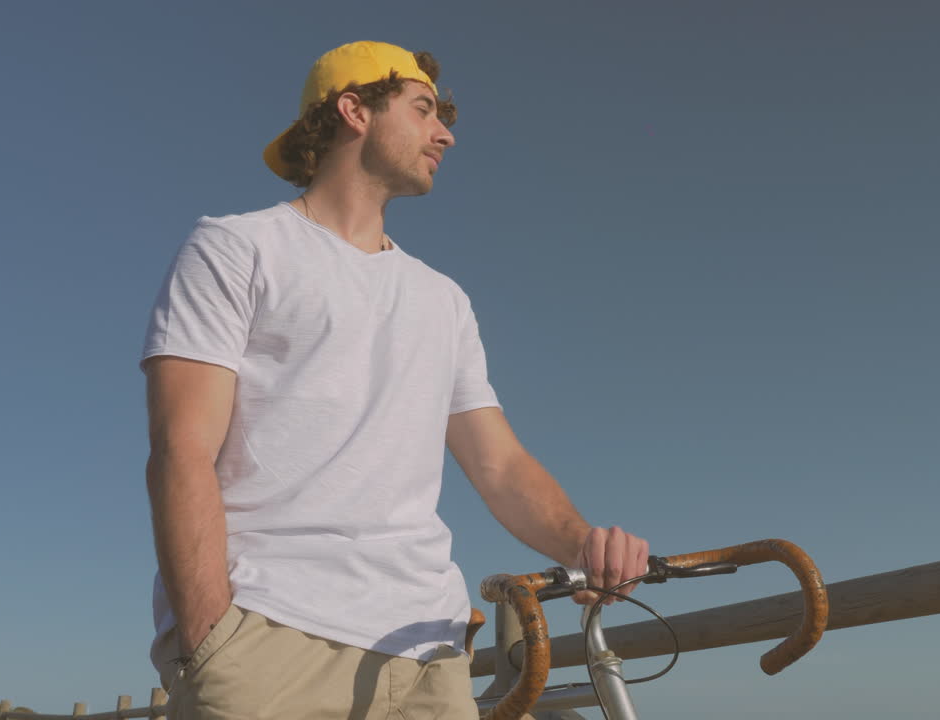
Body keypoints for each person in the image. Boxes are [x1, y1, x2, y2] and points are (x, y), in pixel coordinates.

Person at [141, 40, 650, 719]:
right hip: (270, 636)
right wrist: (209, 642)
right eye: (422, 110)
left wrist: (584, 548)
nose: (445, 133)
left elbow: (498, 464)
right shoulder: (237, 248)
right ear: (353, 110)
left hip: (428, 653)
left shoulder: (444, 299)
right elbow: (181, 450)